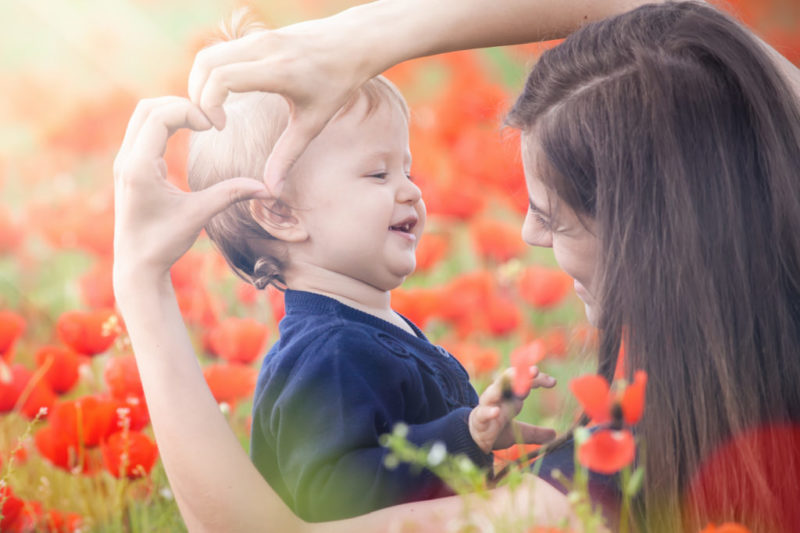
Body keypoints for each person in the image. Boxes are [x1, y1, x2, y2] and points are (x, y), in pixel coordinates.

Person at [113, 1, 800, 532]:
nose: (530, 233)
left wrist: (141, 281)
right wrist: (363, 36)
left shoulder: (622, 471)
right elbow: (710, 53)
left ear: (652, 232)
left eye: (554, 215)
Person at [183, 18, 556, 522]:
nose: (411, 190)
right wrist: (461, 437)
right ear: (281, 213)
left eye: (408, 170)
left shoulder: (364, 331)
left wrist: (478, 440)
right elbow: (330, 494)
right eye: (378, 173)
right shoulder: (328, 354)